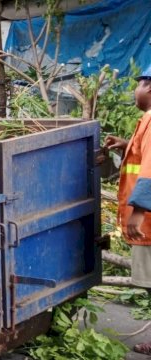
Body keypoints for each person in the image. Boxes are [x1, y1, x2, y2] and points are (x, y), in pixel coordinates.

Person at [105, 67, 151, 355]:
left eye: (139, 84)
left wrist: (139, 212)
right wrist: (127, 146)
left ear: (149, 88)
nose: (135, 90)